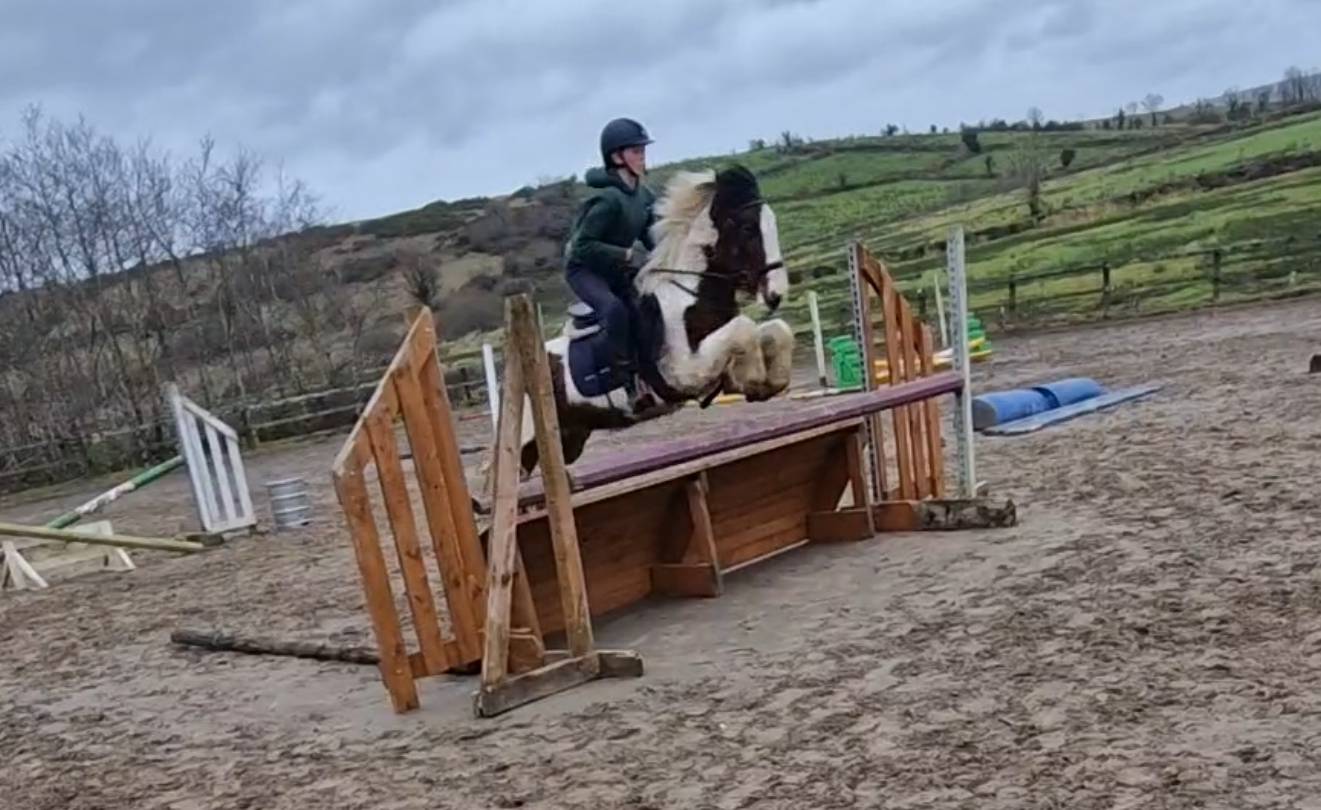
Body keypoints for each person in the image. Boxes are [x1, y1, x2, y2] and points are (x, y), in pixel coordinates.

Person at [562, 117, 657, 404]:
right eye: (636, 152)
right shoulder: (606, 200)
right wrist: (626, 254)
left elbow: (649, 237)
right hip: (584, 270)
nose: (642, 157)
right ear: (617, 157)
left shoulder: (643, 195)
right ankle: (625, 384)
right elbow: (582, 247)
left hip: (615, 269)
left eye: (643, 151)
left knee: (645, 307)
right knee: (614, 310)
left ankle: (650, 373)